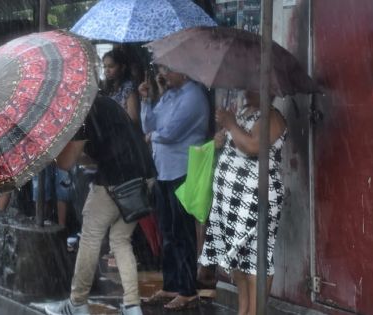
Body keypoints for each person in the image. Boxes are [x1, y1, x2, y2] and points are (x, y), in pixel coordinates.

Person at [44, 96, 156, 315]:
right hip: (143, 175)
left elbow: (66, 163)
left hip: (115, 181)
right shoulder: (103, 102)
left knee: (90, 237)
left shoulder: (81, 111)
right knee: (120, 240)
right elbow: (105, 147)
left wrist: (48, 149)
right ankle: (133, 306)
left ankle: (77, 302)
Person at [198, 90, 287, 315]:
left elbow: (253, 146)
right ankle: (244, 310)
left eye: (251, 83)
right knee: (239, 260)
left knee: (257, 257)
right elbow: (235, 143)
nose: (244, 89)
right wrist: (221, 138)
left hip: (256, 198)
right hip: (232, 201)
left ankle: (255, 312)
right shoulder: (244, 112)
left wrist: (230, 123)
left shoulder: (272, 117)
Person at [138, 65, 210, 310]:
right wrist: (147, 101)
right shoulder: (170, 94)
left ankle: (188, 289)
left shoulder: (193, 97)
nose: (164, 75)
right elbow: (149, 125)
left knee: (183, 233)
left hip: (183, 170)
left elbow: (169, 133)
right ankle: (171, 284)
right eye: (161, 70)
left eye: (168, 70)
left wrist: (152, 136)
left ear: (185, 71)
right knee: (167, 232)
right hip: (163, 171)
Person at [100, 49, 140, 124]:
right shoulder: (109, 88)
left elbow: (133, 119)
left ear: (122, 67)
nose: (106, 70)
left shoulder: (128, 88)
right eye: (105, 67)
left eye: (111, 66)